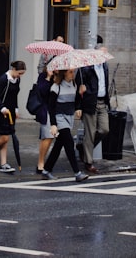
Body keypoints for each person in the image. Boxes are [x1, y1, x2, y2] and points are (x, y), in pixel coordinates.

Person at [41, 68, 89, 182]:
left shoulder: (74, 84)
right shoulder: (55, 87)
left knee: (58, 146)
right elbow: (51, 107)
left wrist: (79, 99)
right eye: (70, 72)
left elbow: (76, 101)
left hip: (69, 117)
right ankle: (77, 173)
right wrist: (53, 124)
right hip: (59, 118)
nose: (73, 74)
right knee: (69, 143)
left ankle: (46, 170)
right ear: (64, 73)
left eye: (73, 71)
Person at [0, 60, 26, 174]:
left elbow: (14, 95)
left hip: (10, 111)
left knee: (5, 139)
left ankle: (3, 164)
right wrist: (2, 108)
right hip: (2, 111)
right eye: (19, 73)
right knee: (5, 138)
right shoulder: (3, 79)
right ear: (13, 69)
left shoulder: (17, 79)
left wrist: (16, 109)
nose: (20, 76)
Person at [76, 42, 110, 174]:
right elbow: (79, 88)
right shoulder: (86, 68)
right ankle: (88, 162)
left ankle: (83, 148)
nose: (105, 56)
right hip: (90, 102)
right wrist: (78, 106)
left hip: (102, 102)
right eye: (103, 53)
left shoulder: (105, 67)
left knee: (104, 129)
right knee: (89, 133)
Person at [33, 69, 54, 175]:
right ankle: (40, 163)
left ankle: (43, 162)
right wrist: (48, 78)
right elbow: (42, 91)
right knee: (48, 136)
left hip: (57, 109)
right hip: (46, 110)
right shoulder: (43, 76)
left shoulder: (61, 77)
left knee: (50, 138)